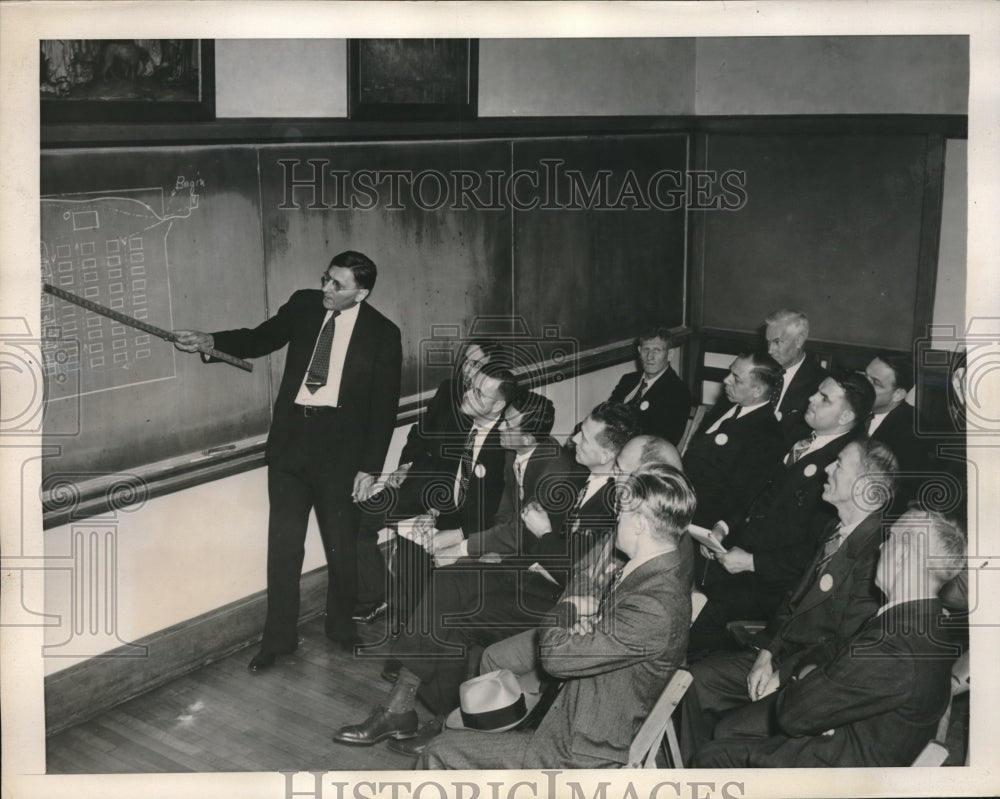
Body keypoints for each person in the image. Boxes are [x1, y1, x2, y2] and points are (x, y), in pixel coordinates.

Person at [331, 401, 635, 753]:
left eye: (586, 434)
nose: (576, 435)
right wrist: (493, 552)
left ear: (609, 451)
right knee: (448, 583)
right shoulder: (580, 476)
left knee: (454, 615)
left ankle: (440, 719)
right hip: (528, 573)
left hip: (557, 601)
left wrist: (542, 534)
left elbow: (578, 574)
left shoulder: (616, 502)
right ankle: (404, 708)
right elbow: (522, 529)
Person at [172, 250, 402, 672]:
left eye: (338, 285)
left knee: (342, 546)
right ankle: (278, 640)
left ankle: (341, 627)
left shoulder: (383, 334)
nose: (326, 290)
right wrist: (211, 341)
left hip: (341, 452)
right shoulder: (303, 304)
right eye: (326, 279)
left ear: (362, 292)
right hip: (292, 444)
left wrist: (369, 468)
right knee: (283, 547)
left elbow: (383, 409)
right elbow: (261, 338)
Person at [416, 463, 697, 769]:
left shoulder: (653, 604)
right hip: (570, 719)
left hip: (577, 748)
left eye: (622, 515)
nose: (616, 522)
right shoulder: (658, 571)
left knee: (440, 751)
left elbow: (555, 657)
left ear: (640, 523)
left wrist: (569, 609)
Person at [693, 508, 966, 768]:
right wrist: (814, 678)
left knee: (711, 758)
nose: (881, 548)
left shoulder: (893, 645)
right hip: (855, 738)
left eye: (889, 539)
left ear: (904, 556)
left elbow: (794, 714)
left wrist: (804, 682)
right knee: (729, 731)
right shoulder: (922, 622)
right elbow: (839, 647)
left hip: (838, 767)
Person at [679, 439, 897, 761]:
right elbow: (793, 603)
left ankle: (716, 763)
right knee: (694, 684)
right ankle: (699, 772)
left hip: (813, 678)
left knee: (729, 734)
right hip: (780, 657)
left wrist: (784, 676)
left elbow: (843, 646)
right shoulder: (835, 528)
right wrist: (766, 653)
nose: (827, 468)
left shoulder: (877, 553)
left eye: (839, 464)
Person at [689, 370, 875, 654]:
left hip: (777, 584)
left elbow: (817, 551)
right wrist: (724, 527)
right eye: (816, 392)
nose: (811, 398)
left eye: (824, 398)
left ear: (846, 417)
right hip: (740, 556)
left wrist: (752, 562)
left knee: (701, 620)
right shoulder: (799, 435)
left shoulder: (844, 469)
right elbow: (758, 491)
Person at [353, 338, 495, 622]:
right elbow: (421, 433)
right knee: (357, 520)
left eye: (477, 364)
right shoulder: (447, 389)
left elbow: (466, 470)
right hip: (416, 478)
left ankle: (412, 611)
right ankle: (376, 596)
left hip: (442, 491)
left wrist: (436, 503)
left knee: (401, 539)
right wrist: (404, 465)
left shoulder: (489, 408)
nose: (467, 369)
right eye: (465, 361)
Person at [370, 360, 518, 633]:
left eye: (478, 393)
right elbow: (451, 476)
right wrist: (433, 511)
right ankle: (416, 634)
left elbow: (497, 510)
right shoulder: (466, 423)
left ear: (498, 405)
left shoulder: (504, 444)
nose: (467, 394)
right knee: (409, 551)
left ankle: (423, 637)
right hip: (452, 514)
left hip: (480, 528)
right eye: (470, 387)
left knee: (424, 556)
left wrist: (457, 534)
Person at [682, 351, 786, 528]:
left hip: (704, 519)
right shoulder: (726, 404)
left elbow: (746, 494)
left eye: (736, 379)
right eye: (730, 372)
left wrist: (722, 527)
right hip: (680, 496)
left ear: (757, 390)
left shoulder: (768, 433)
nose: (726, 380)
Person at [609, 327, 692, 445]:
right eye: (646, 349)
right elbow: (607, 413)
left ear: (670, 354)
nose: (649, 357)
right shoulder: (628, 380)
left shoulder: (678, 392)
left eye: (657, 350)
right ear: (639, 351)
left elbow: (660, 442)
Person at [764, 309, 829, 447]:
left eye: (777, 342)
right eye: (768, 342)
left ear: (798, 340)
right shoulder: (760, 367)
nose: (770, 351)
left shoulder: (821, 384)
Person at [865, 352, 928, 477]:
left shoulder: (913, 431)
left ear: (898, 394)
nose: (863, 384)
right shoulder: (854, 406)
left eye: (875, 383)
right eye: (865, 376)